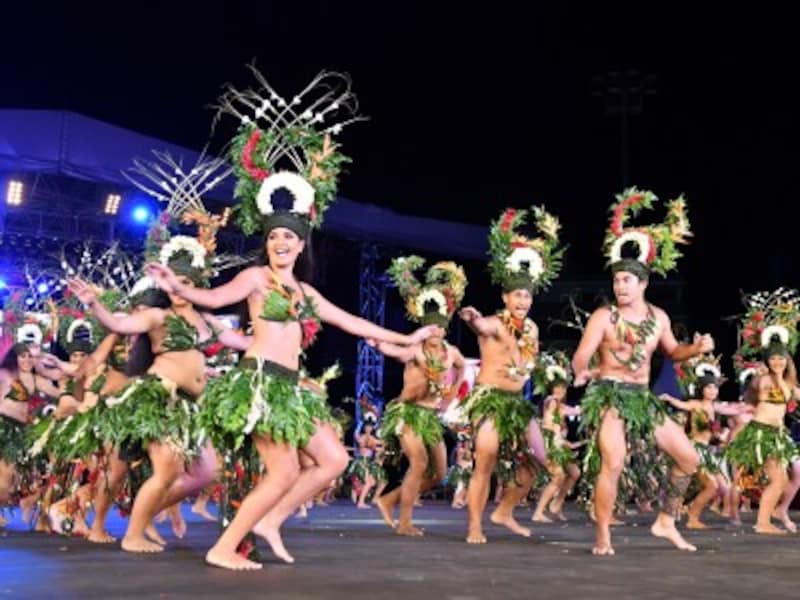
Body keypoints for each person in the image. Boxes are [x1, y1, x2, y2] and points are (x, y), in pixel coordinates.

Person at [572, 188, 712, 555]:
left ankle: (665, 520)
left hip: (642, 398)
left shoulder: (659, 318)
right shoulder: (604, 317)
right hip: (611, 395)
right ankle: (603, 535)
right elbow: (581, 355)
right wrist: (582, 372)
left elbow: (672, 352)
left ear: (643, 283)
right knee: (614, 462)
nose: (619, 286)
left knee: (689, 458)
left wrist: (695, 349)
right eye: (616, 280)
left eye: (626, 281)